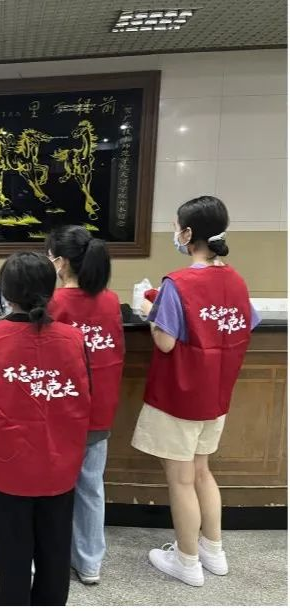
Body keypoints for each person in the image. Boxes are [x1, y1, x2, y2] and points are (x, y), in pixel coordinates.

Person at [132, 196, 259, 587]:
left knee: (182, 480)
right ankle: (213, 551)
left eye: (176, 227)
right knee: (203, 472)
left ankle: (186, 561)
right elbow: (246, 323)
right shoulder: (237, 280)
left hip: (179, 396)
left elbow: (166, 342)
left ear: (187, 234)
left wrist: (148, 311)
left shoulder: (179, 283)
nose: (175, 233)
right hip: (216, 396)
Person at [0, 252, 92, 606]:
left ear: (5, 293)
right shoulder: (74, 340)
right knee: (55, 560)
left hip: (5, 467)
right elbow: (85, 395)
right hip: (59, 466)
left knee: (13, 564)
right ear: (50, 290)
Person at [46, 226, 124, 586]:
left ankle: (51, 560)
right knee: (91, 487)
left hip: (60, 414)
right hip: (99, 412)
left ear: (61, 262)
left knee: (53, 488)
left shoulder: (54, 303)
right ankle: (90, 563)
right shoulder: (110, 300)